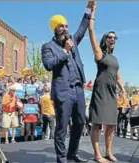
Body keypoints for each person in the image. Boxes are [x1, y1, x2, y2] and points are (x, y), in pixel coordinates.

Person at [41, 2, 95, 162]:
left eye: (66, 26)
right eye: (61, 26)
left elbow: (83, 27)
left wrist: (89, 9)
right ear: (55, 28)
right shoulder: (48, 47)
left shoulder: (73, 41)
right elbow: (48, 65)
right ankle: (62, 158)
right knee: (62, 127)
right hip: (63, 91)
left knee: (79, 123)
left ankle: (72, 154)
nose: (65, 28)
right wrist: (64, 51)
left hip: (78, 90)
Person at [88, 3, 126, 162]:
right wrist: (92, 13)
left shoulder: (115, 59)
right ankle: (97, 155)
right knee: (96, 124)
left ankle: (108, 152)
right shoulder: (99, 53)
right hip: (100, 92)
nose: (113, 39)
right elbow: (91, 31)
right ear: (105, 40)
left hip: (111, 94)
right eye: (110, 37)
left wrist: (123, 89)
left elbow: (117, 76)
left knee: (111, 125)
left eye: (114, 37)